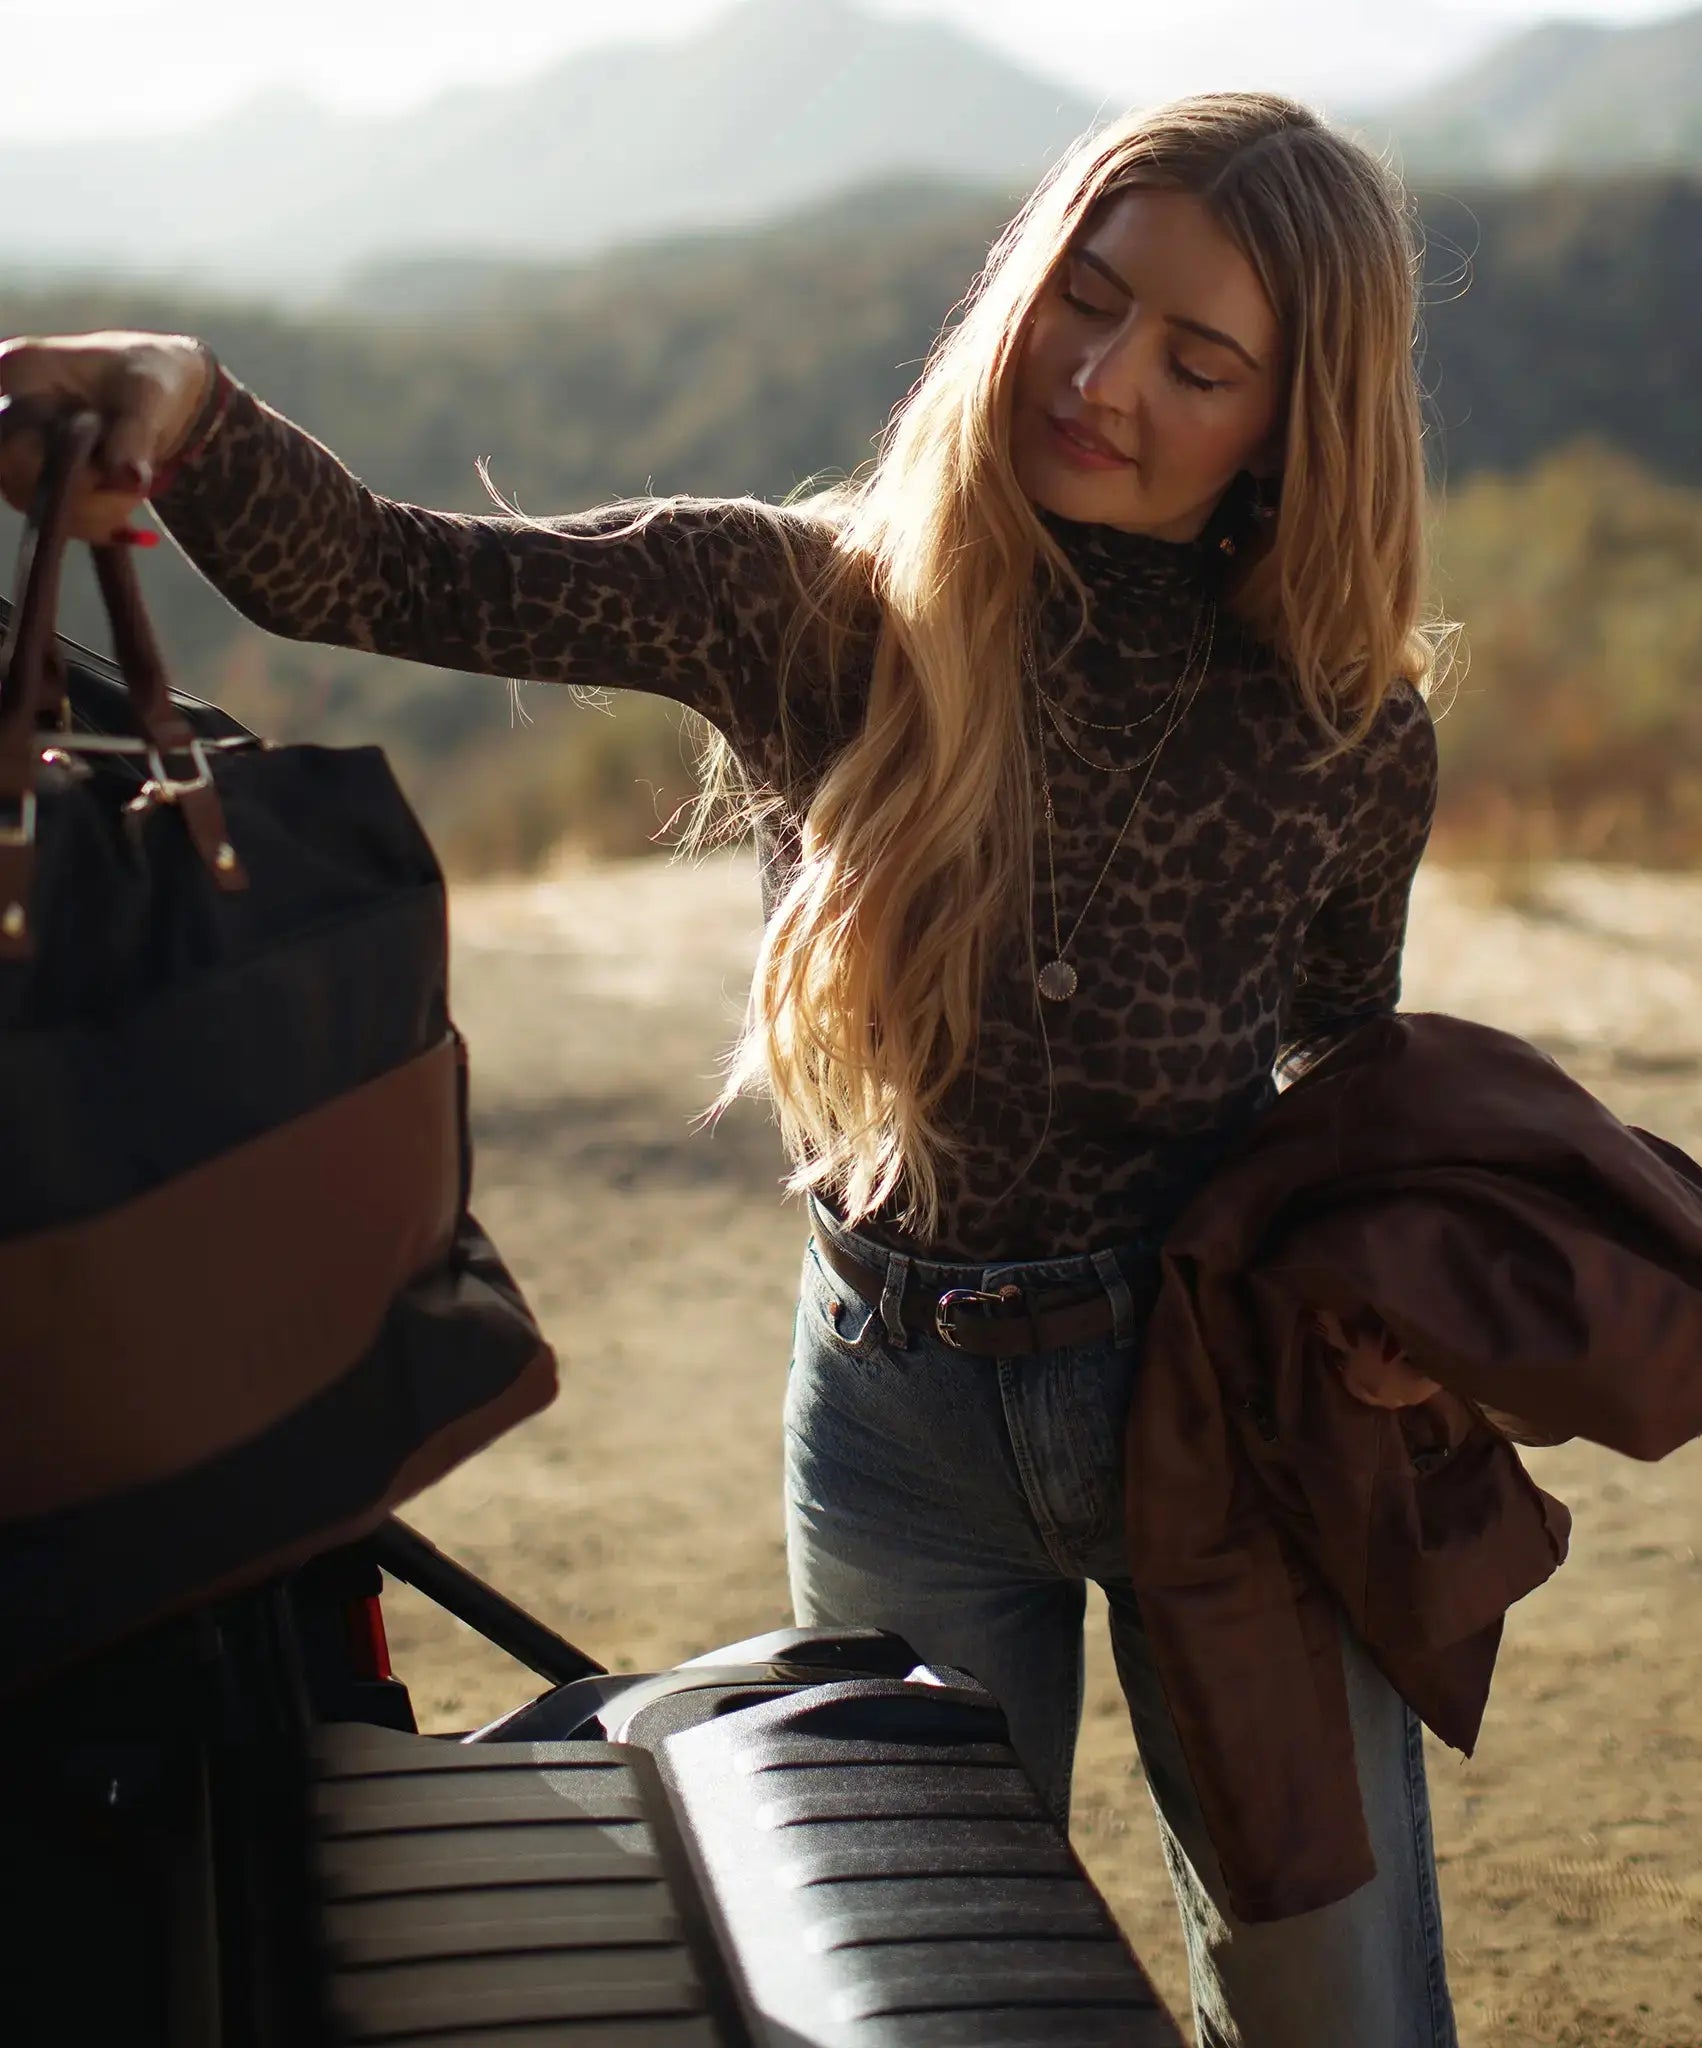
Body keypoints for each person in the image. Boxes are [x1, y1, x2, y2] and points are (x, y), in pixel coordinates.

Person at [0, 92, 1454, 2047]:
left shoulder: (1347, 727)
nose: (1101, 381)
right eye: (1081, 304)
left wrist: (1395, 1290)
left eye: (1196, 364)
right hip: (894, 1413)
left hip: (1209, 1412)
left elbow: (1340, 1039)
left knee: (1333, 2008)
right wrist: (199, 409)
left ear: (1292, 421)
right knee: (912, 2002)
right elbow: (405, 577)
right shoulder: (807, 604)